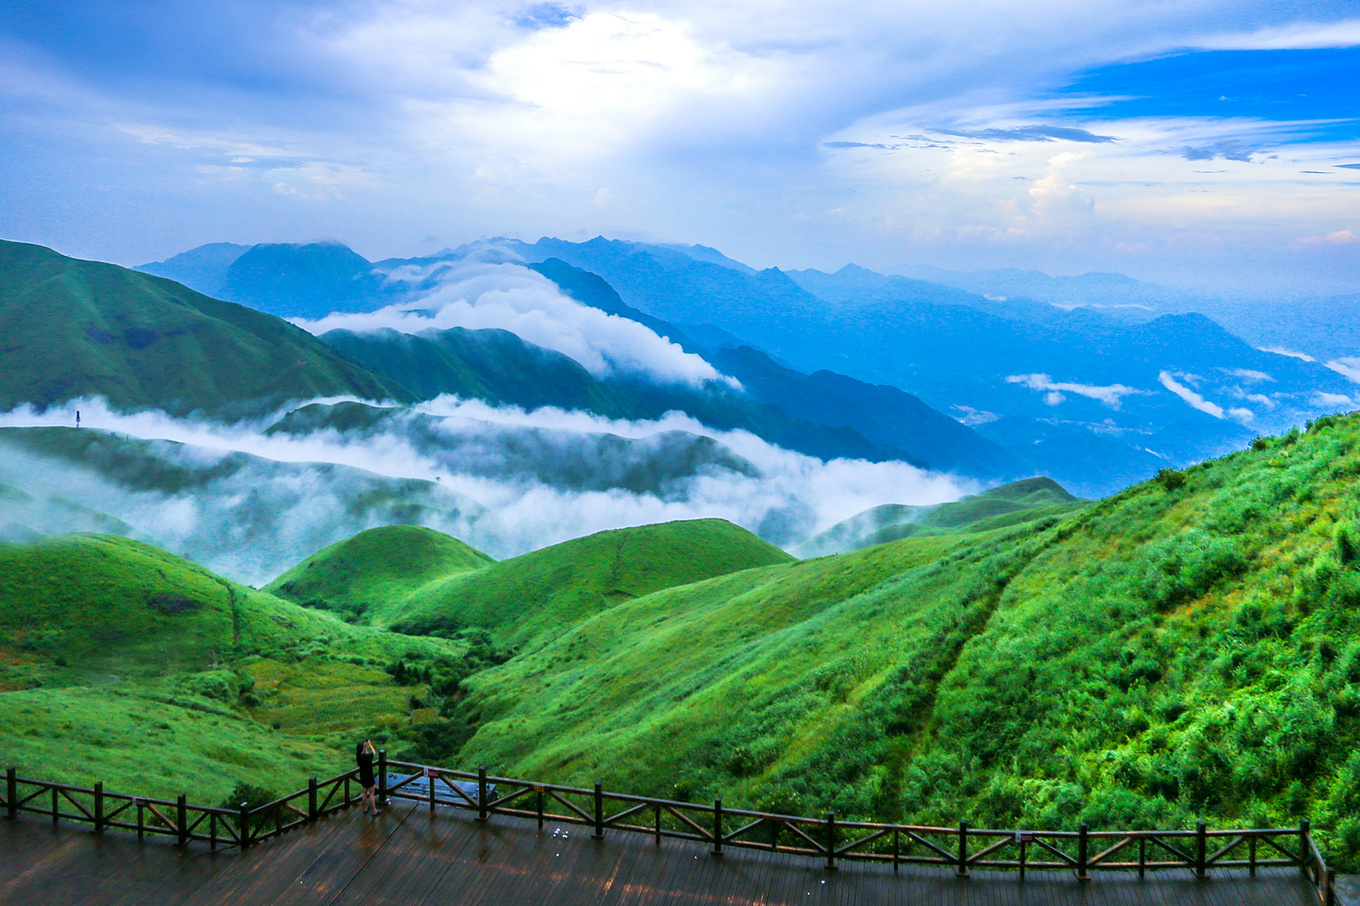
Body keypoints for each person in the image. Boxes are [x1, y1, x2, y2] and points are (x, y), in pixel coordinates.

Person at [356, 739, 381, 816]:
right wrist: (370, 745)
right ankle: (374, 810)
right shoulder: (367, 757)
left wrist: (365, 746)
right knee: (371, 793)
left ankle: (365, 807)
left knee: (364, 791)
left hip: (362, 776)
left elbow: (365, 753)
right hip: (369, 776)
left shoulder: (358, 756)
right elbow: (373, 753)